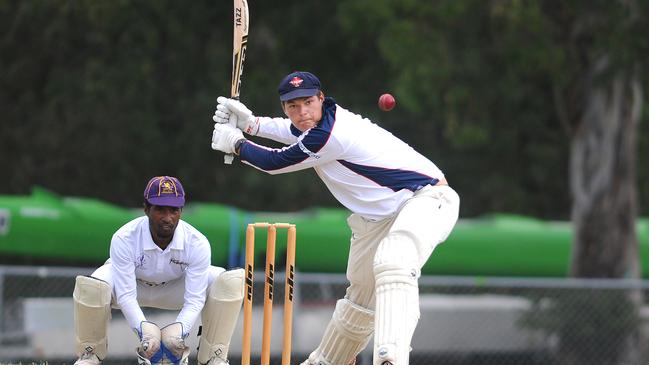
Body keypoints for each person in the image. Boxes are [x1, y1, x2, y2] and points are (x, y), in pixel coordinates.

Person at [210, 71, 460, 365]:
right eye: (293, 106)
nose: (301, 112)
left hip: (427, 199)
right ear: (285, 108)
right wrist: (251, 124)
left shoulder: (331, 134)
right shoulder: (318, 123)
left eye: (307, 103)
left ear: (320, 98)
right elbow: (289, 130)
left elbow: (275, 162)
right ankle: (329, 361)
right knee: (359, 302)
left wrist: (237, 143)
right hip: (379, 218)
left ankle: (391, 356)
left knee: (395, 261)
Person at [72, 176, 244, 365]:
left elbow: (195, 299)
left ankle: (215, 355)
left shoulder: (197, 242)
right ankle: (89, 354)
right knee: (93, 284)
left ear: (181, 211)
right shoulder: (124, 237)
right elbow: (126, 295)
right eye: (160, 209)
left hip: (175, 289)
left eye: (173, 210)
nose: (167, 217)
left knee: (227, 281)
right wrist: (144, 330)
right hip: (132, 287)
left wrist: (179, 330)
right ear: (146, 209)